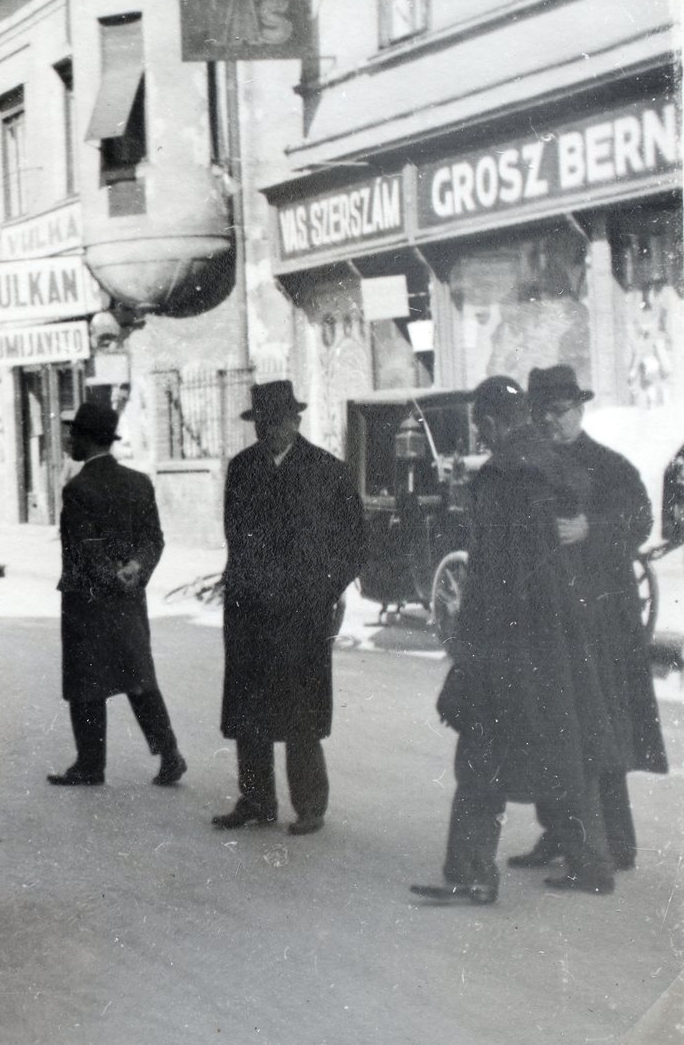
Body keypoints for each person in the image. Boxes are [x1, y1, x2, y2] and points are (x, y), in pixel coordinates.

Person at [410, 372, 637, 902]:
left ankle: (471, 874)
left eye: (479, 426)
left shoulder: (500, 477)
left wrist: (469, 648)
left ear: (490, 422)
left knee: (480, 754)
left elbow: (491, 574)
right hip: (561, 635)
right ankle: (592, 865)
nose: (481, 436)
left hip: (510, 639)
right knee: (565, 750)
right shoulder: (557, 465)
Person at [498, 365, 667, 876]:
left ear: (580, 408)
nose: (554, 422)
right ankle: (562, 835)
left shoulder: (609, 465)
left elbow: (640, 519)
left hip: (603, 623)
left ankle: (619, 844)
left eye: (562, 411)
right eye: (543, 413)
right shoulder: (528, 467)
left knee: (603, 732)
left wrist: (591, 528)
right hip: (551, 622)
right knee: (554, 734)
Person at [213, 381, 364, 836]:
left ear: (295, 421)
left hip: (302, 612)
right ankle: (256, 800)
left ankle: (310, 806)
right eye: (262, 424)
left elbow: (353, 542)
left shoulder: (328, 472)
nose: (269, 431)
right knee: (248, 709)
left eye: (278, 422)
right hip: (250, 608)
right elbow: (234, 534)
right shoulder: (242, 469)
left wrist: (325, 589)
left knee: (301, 711)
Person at [46, 402, 186, 788]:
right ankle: (169, 754)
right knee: (139, 677)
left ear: (87, 438)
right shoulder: (138, 482)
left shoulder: (77, 488)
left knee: (85, 684)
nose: (70, 439)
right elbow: (153, 539)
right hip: (127, 598)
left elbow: (83, 548)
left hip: (87, 599)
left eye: (74, 434)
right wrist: (134, 570)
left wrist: (109, 574)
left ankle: (90, 764)